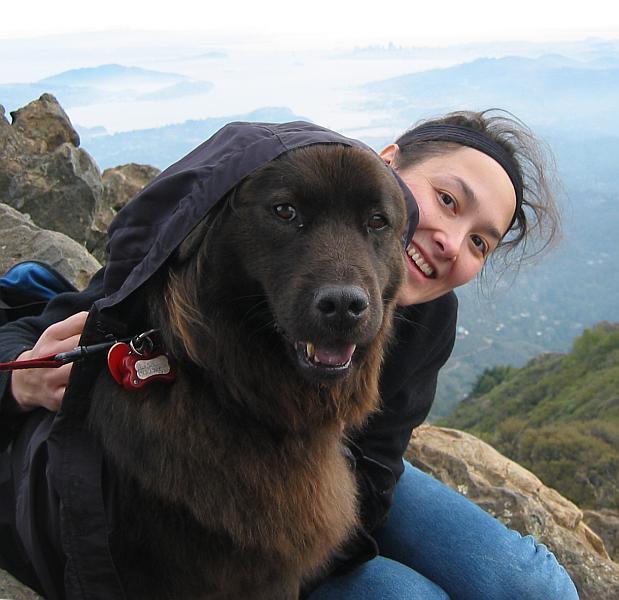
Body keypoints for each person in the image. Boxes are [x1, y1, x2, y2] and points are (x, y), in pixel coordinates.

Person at [0, 112, 577, 600]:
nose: (451, 241)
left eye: (479, 241)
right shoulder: (210, 257)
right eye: (447, 200)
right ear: (389, 164)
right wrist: (20, 381)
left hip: (337, 493)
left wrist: (305, 535)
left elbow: (376, 475)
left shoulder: (430, 320)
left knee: (533, 584)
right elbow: (50, 327)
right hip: (270, 523)